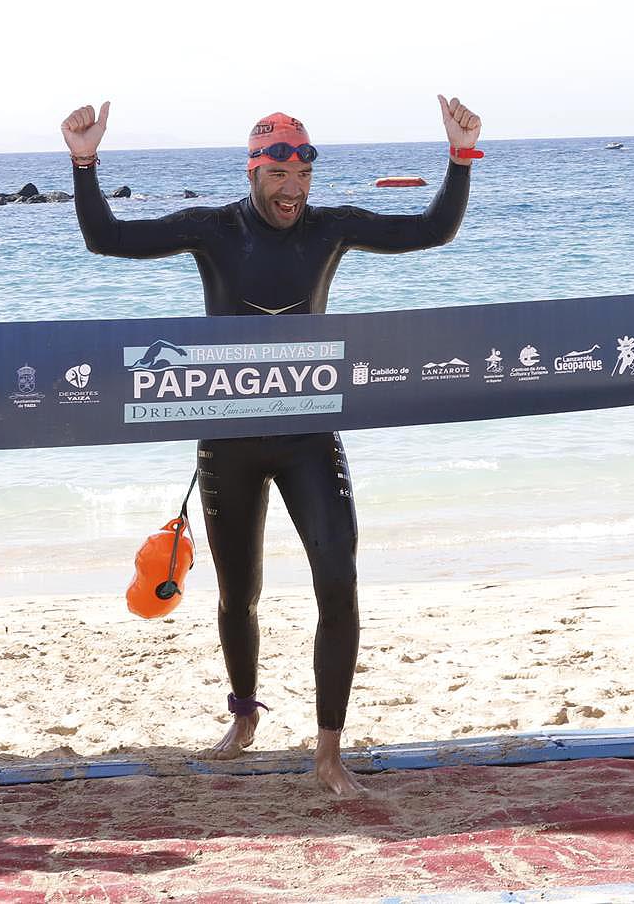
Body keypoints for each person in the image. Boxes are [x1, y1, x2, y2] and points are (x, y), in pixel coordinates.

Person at [61, 97, 482, 797]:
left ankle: (327, 754)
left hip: (307, 433)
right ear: (255, 171)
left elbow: (433, 230)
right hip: (227, 437)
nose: (292, 192)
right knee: (237, 595)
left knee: (338, 581)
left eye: (303, 179)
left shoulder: (330, 229)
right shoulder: (213, 229)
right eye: (278, 177)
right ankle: (244, 715)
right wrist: (83, 162)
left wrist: (461, 154)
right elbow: (107, 239)